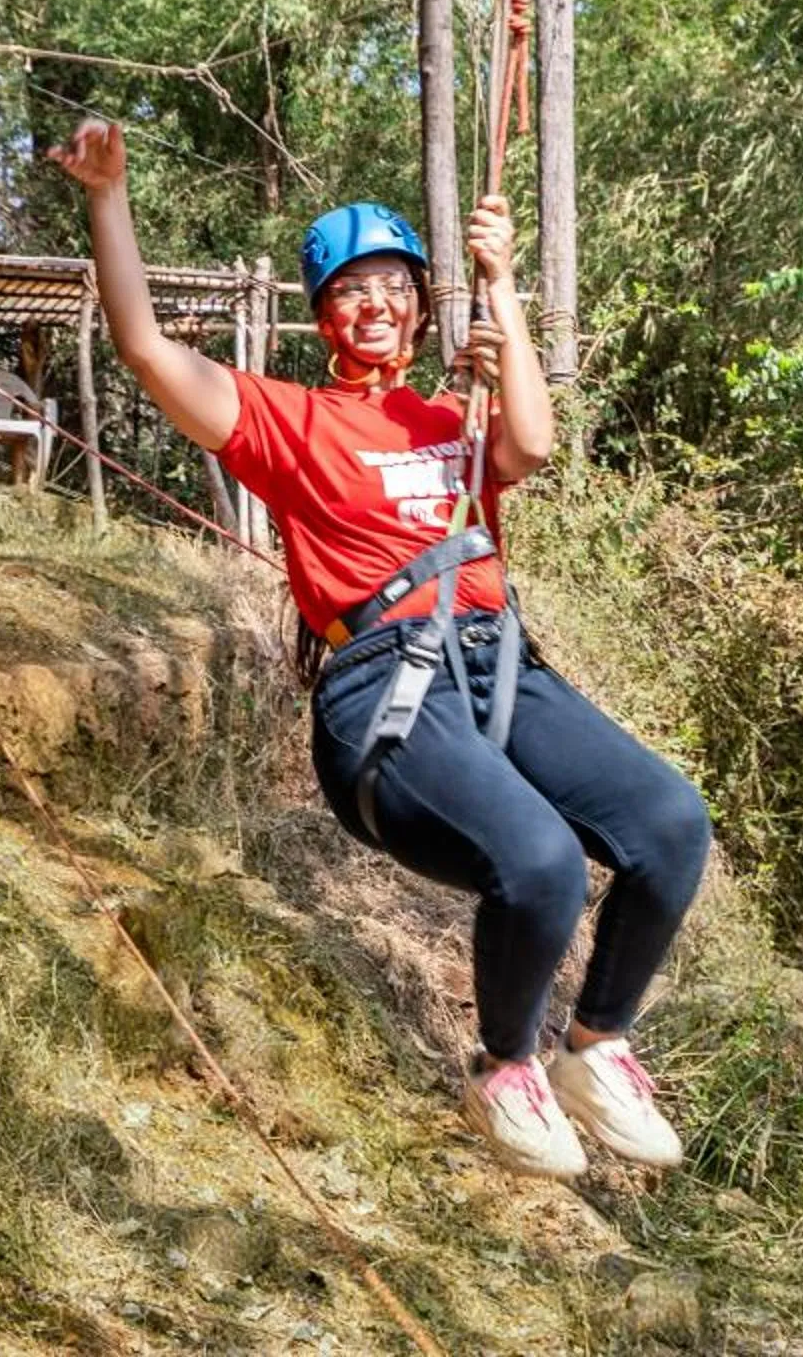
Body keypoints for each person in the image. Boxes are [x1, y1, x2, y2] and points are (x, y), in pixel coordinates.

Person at [52, 119, 711, 1181]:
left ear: (418, 305)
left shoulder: (456, 417)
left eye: (395, 285)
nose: (376, 304)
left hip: (498, 661)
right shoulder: (293, 422)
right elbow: (146, 349)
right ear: (324, 318)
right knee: (540, 859)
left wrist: (502, 286)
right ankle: (505, 1066)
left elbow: (534, 444)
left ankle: (595, 1047)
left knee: (670, 823)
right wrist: (107, 198)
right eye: (352, 290)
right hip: (385, 686)